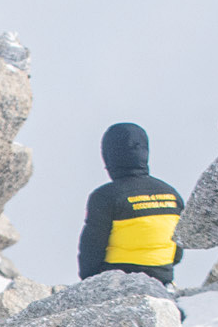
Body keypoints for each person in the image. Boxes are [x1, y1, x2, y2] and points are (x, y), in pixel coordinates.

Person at [78, 122, 185, 284]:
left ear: (108, 156)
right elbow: (178, 252)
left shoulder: (105, 196)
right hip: (162, 280)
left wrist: (89, 284)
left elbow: (91, 250)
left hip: (117, 281)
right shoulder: (172, 194)